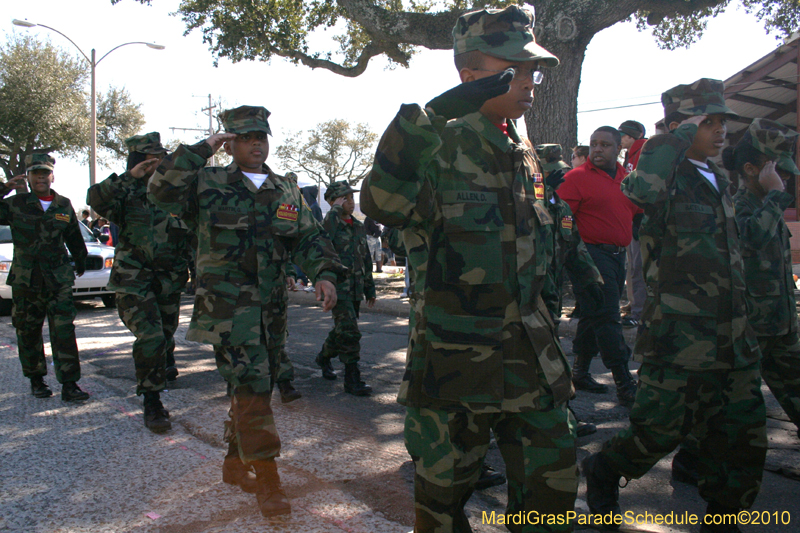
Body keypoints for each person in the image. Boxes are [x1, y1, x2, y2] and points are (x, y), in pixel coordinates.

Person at [361, 6, 577, 531]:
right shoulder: (439, 142)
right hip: (455, 364)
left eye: (533, 71)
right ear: (469, 75)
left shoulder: (522, 147)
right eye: (514, 69)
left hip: (531, 358)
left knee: (550, 499)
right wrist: (431, 116)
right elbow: (381, 202)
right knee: (441, 509)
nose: (528, 82)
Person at [582, 78, 767, 533]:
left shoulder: (719, 180)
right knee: (656, 433)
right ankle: (604, 469)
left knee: (743, 439)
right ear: (682, 126)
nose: (720, 130)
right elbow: (638, 192)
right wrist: (674, 135)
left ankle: (724, 518)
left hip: (734, 339)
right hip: (681, 340)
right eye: (708, 122)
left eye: (723, 121)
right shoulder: (663, 176)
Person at [148, 105, 344, 518]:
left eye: (261, 137)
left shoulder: (284, 188)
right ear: (229, 143)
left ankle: (235, 463)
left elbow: (309, 237)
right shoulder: (207, 182)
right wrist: (201, 149)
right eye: (246, 137)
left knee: (253, 390)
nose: (257, 144)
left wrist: (324, 274)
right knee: (253, 389)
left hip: (271, 313)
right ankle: (269, 481)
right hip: (227, 313)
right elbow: (160, 191)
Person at [87, 132, 192, 433]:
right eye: (147, 160)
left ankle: (163, 362)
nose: (154, 165)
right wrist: (130, 176)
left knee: (165, 334)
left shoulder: (176, 193)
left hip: (169, 279)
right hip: (134, 279)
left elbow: (193, 234)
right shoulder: (125, 193)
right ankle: (152, 401)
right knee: (151, 336)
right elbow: (95, 199)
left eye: (159, 159)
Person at [558, 127, 641, 405]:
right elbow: (563, 216)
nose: (597, 149)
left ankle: (580, 371)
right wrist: (571, 244)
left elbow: (637, 212)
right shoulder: (576, 178)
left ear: (618, 148)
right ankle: (624, 381)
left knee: (593, 315)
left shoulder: (627, 179)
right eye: (594, 144)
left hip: (618, 256)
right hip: (590, 256)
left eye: (604, 145)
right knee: (607, 317)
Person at [728, 119, 800, 436]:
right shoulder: (738, 206)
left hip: (781, 327)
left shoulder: (768, 204)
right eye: (778, 170)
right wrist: (775, 197)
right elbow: (752, 239)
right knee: (738, 413)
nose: (785, 178)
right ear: (751, 169)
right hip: (752, 330)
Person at [0, 154, 89, 402]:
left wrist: (80, 259)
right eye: (35, 173)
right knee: (28, 331)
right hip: (26, 280)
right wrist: (4, 188)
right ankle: (36, 380)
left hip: (58, 279)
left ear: (52, 176)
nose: (40, 177)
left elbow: (73, 235)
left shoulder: (63, 204)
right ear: (27, 177)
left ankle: (70, 384)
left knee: (64, 331)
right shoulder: (15, 204)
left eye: (45, 173)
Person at [315, 181, 376, 396]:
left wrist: (370, 288)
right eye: (345, 198)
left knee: (342, 329)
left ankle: (323, 357)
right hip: (337, 287)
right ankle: (352, 378)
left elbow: (365, 258)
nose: (350, 202)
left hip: (355, 287)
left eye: (352, 198)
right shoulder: (330, 223)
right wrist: (334, 210)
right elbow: (323, 238)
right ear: (333, 202)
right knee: (349, 331)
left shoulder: (357, 226)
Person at [618, 120, 648, 329]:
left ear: (630, 136)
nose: (619, 139)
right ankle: (634, 303)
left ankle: (640, 312)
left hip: (641, 218)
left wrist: (638, 217)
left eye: (622, 135)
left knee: (638, 267)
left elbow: (641, 187)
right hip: (630, 217)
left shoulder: (643, 151)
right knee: (632, 266)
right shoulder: (630, 153)